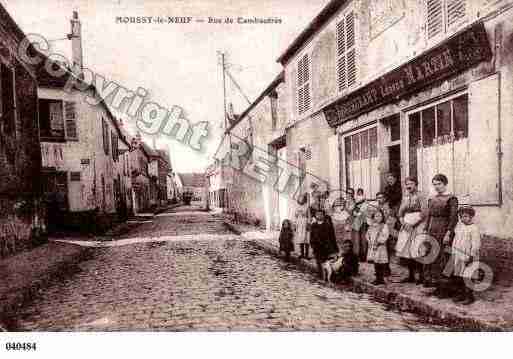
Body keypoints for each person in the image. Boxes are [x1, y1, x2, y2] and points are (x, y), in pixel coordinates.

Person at [424, 173, 459, 298]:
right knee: (433, 258)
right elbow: (428, 215)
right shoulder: (432, 198)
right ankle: (438, 287)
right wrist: (425, 229)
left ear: (445, 184)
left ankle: (447, 289)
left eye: (439, 184)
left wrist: (448, 233)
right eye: (434, 184)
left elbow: (453, 218)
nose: (436, 187)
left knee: (444, 259)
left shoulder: (452, 198)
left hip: (444, 231)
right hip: (432, 230)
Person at [395, 177, 428, 284]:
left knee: (417, 249)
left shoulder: (421, 195)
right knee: (407, 250)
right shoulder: (405, 197)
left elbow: (424, 212)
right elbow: (400, 212)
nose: (409, 186)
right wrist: (403, 223)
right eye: (407, 184)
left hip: (418, 224)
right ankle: (411, 275)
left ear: (416, 184)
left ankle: (421, 276)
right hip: (406, 225)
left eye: (411, 183)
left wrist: (414, 224)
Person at [450, 206, 481, 305]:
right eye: (462, 217)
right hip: (459, 255)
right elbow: (455, 240)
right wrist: (454, 252)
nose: (463, 218)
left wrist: (471, 256)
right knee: (459, 275)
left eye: (466, 216)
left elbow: (476, 244)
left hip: (469, 256)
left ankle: (469, 297)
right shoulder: (459, 227)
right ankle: (461, 294)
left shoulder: (474, 229)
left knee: (468, 276)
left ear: (471, 217)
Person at [310, 210, 339, 278]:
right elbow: (311, 236)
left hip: (325, 247)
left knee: (325, 262)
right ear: (315, 216)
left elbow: (332, 237)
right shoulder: (313, 225)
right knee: (318, 261)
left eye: (321, 214)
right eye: (317, 214)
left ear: (323, 216)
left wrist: (334, 247)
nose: (319, 216)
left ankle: (326, 276)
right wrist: (312, 244)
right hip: (317, 247)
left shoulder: (327, 225)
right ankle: (320, 274)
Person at [376, 192, 397, 277]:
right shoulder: (378, 207)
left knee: (386, 251)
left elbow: (392, 218)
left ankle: (386, 269)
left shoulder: (388, 207)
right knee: (379, 251)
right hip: (379, 230)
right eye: (377, 198)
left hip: (386, 231)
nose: (379, 199)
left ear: (385, 198)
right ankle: (381, 269)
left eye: (381, 197)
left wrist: (387, 229)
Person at [366, 210, 390, 285]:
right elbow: (367, 234)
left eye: (380, 216)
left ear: (382, 217)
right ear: (374, 217)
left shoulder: (384, 226)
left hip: (380, 247)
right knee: (375, 262)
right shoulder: (372, 226)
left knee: (380, 262)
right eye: (376, 216)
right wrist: (369, 240)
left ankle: (381, 278)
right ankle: (377, 278)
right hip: (373, 247)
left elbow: (385, 235)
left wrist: (379, 241)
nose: (378, 218)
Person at [352, 188, 369, 262]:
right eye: (358, 193)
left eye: (360, 193)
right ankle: (356, 256)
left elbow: (363, 211)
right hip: (356, 222)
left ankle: (363, 256)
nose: (359, 194)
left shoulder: (365, 203)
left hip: (363, 222)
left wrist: (359, 213)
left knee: (363, 239)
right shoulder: (355, 202)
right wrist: (355, 213)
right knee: (356, 240)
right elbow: (353, 211)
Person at [295, 194, 310, 259]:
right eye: (300, 198)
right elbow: (295, 216)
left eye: (302, 198)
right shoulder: (297, 207)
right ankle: (302, 254)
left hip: (305, 222)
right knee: (301, 239)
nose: (301, 200)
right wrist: (295, 224)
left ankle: (306, 254)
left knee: (306, 239)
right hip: (299, 223)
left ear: (304, 199)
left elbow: (309, 216)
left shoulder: (307, 207)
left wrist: (308, 224)